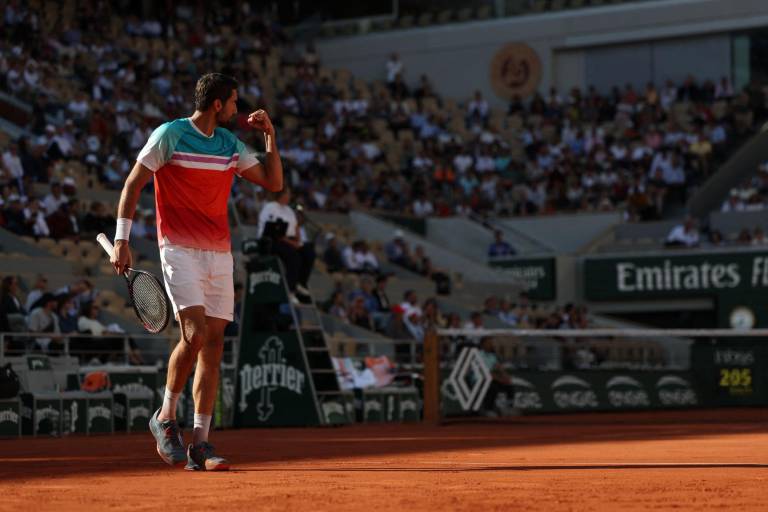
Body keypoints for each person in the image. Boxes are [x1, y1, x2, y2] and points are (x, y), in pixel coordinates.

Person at [111, 73, 283, 471]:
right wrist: (122, 238)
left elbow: (274, 182)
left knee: (215, 344)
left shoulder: (229, 144)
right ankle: (165, 417)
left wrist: (270, 135)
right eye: (235, 102)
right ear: (218, 104)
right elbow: (134, 183)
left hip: (219, 254)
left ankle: (200, 445)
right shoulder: (169, 134)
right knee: (196, 333)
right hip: (178, 248)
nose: (239, 110)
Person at [257, 187, 315, 300]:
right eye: (288, 194)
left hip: (289, 239)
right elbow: (273, 231)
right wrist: (292, 243)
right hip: (272, 240)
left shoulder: (289, 210)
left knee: (309, 252)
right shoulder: (270, 207)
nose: (290, 196)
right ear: (281, 195)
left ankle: (301, 282)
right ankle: (290, 289)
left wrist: (297, 241)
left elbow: (295, 228)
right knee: (294, 256)